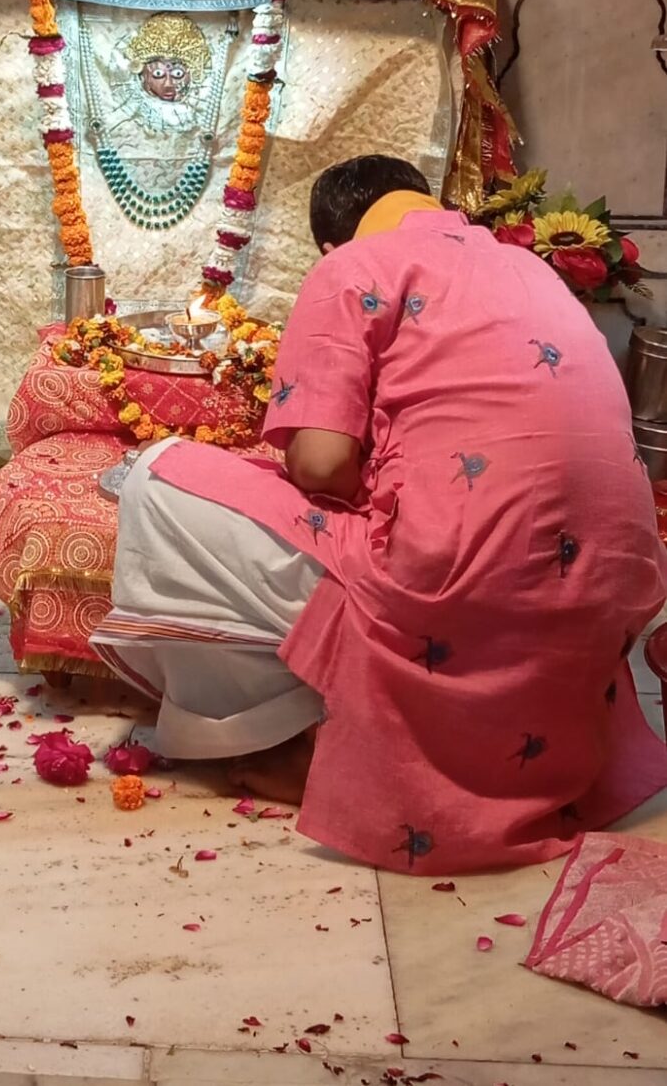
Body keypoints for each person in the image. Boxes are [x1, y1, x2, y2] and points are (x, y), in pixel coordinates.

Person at [91, 154, 667, 873]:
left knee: (157, 477)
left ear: (333, 242)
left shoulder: (352, 269)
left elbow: (323, 463)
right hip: (615, 581)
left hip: (453, 581)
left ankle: (287, 742)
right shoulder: (534, 269)